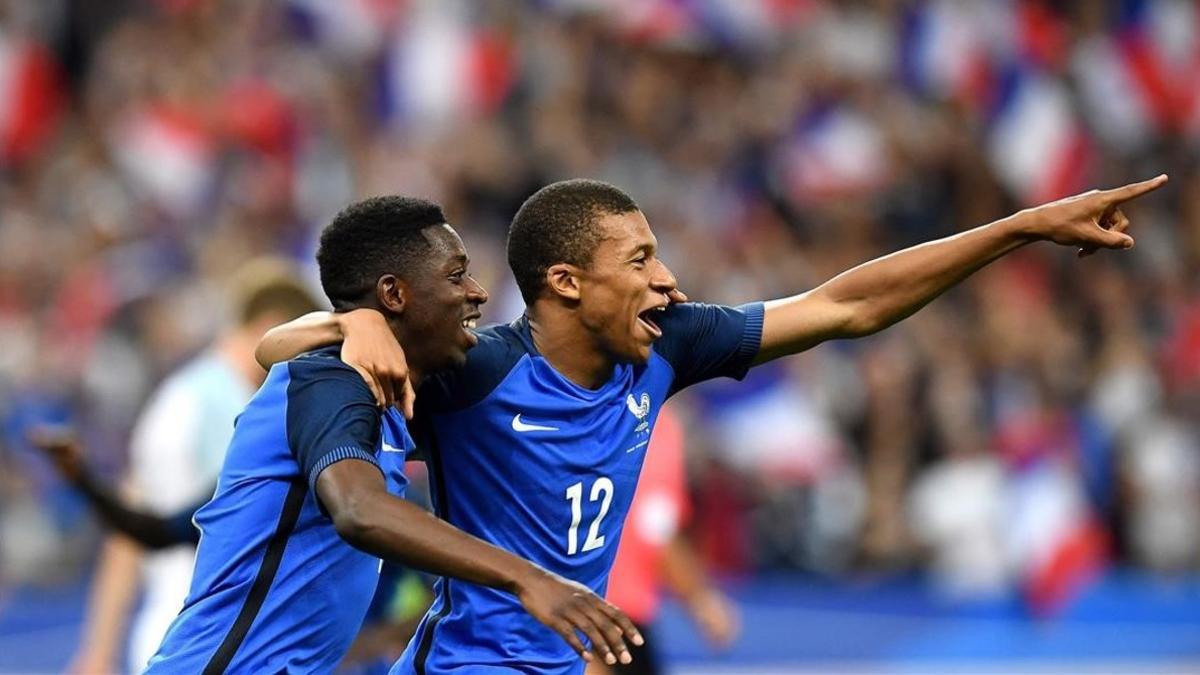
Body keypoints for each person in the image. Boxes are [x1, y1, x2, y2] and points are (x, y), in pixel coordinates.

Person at [259, 175, 1167, 673]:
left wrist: (1022, 226)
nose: (669, 280)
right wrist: (361, 321)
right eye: (642, 258)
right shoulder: (478, 369)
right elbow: (277, 348)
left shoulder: (669, 347)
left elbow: (846, 305)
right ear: (567, 283)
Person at [146, 196, 640, 674]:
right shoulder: (331, 380)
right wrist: (527, 577)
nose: (477, 291)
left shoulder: (388, 395)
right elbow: (359, 509)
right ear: (394, 294)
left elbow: (270, 348)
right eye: (455, 274)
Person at [71, 258, 322, 674]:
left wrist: (98, 647)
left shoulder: (178, 395)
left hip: (169, 628)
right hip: (218, 633)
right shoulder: (239, 408)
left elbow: (131, 528)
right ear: (274, 326)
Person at [587, 404, 738, 675]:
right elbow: (655, 530)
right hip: (600, 614)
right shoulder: (649, 423)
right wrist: (700, 598)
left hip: (570, 606)